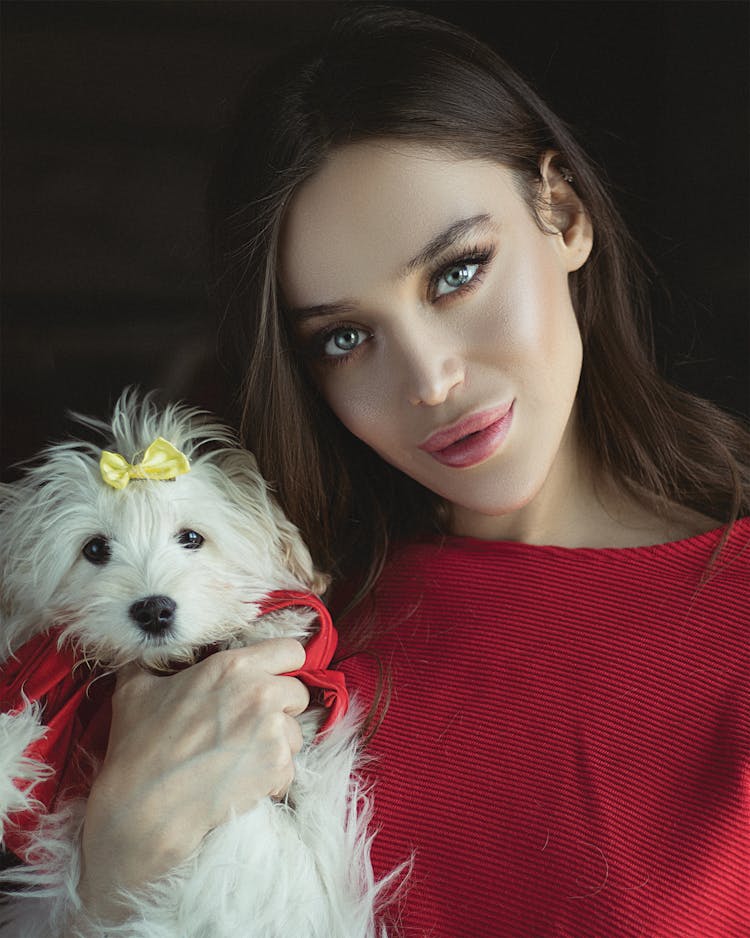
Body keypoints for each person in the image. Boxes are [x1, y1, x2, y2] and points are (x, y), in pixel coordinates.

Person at [63, 4, 750, 935]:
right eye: (346, 338)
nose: (429, 380)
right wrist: (118, 870)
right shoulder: (259, 638)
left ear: (565, 214)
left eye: (457, 272)